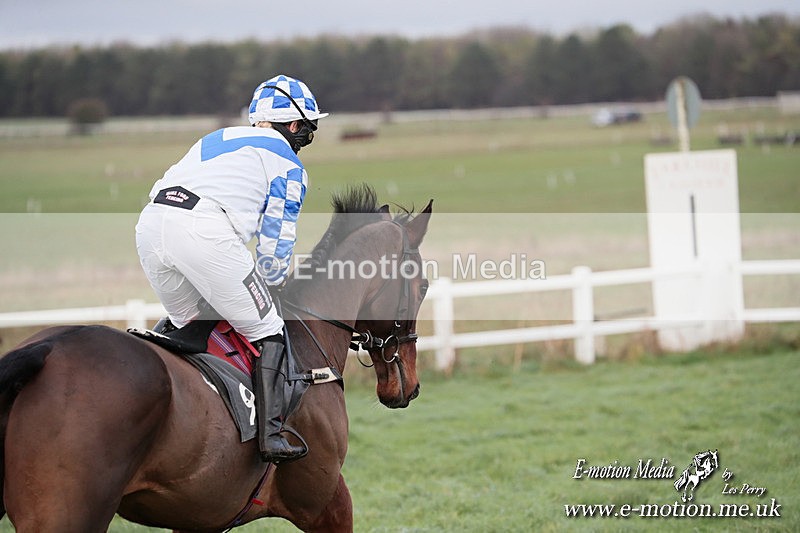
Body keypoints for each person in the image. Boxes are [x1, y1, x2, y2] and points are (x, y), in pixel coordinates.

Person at [135, 74, 328, 463]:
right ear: (294, 126)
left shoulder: (218, 137)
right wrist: (271, 285)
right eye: (307, 129)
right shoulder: (289, 164)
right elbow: (276, 240)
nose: (305, 138)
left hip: (150, 226)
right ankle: (272, 434)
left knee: (192, 326)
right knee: (267, 326)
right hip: (203, 232)